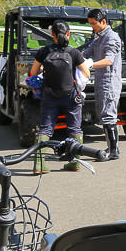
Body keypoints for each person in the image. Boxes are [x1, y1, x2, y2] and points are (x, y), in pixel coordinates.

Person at [30, 21, 91, 174]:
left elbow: (33, 72)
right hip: (71, 96)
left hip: (49, 95)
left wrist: (44, 69)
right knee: (75, 128)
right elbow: (86, 73)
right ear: (68, 34)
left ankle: (39, 165)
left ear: (52, 35)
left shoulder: (44, 51)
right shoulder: (74, 52)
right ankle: (75, 163)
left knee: (45, 129)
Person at [84, 8, 123, 160]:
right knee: (104, 115)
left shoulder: (112, 38)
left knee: (108, 117)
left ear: (104, 22)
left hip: (109, 83)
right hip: (101, 82)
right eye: (90, 24)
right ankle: (110, 147)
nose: (92, 27)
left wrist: (90, 65)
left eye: (94, 24)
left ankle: (113, 152)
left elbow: (109, 60)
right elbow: (86, 53)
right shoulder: (99, 38)